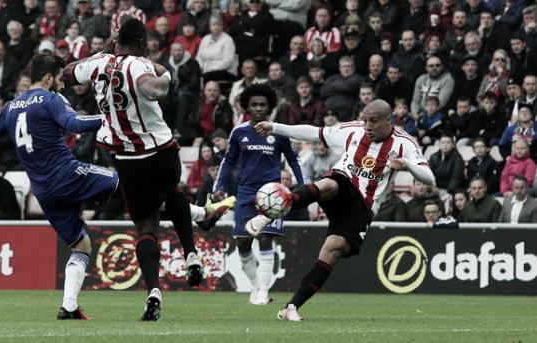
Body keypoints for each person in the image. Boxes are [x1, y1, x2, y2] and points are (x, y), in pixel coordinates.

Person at [63, 18, 235, 321]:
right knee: (172, 191)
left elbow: (66, 75)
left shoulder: (98, 63)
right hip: (160, 149)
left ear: (116, 42)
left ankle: (154, 290)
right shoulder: (139, 64)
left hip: (127, 159)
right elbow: (153, 90)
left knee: (145, 229)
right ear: (142, 44)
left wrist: (99, 55)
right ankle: (191, 252)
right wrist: (165, 74)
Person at [246, 99, 435, 321]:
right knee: (329, 184)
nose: (368, 126)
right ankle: (268, 214)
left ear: (387, 120)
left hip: (363, 206)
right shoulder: (353, 130)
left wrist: (407, 165)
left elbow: (429, 178)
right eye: (365, 120)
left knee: (333, 250)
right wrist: (276, 127)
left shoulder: (405, 143)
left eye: (373, 122)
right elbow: (315, 133)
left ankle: (290, 307)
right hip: (343, 183)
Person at [0, 55, 119, 320]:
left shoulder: (11, 106)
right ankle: (194, 213)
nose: (62, 84)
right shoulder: (50, 99)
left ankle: (69, 306)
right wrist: (109, 118)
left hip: (44, 191)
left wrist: (0, 122)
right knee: (127, 185)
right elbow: (75, 124)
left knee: (81, 246)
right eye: (59, 78)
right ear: (48, 78)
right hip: (67, 174)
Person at [213, 84, 305, 305]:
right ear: (246, 107)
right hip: (245, 193)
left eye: (262, 105)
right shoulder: (239, 132)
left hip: (272, 194)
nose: (258, 109)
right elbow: (228, 161)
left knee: (265, 238)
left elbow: (294, 160)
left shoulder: (279, 132)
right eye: (254, 105)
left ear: (270, 107)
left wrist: (304, 187)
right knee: (243, 242)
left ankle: (263, 291)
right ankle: (256, 285)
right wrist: (219, 186)